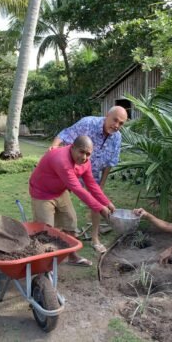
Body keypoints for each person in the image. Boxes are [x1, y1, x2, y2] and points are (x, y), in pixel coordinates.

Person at [49, 106, 128, 253]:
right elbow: (65, 133)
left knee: (96, 203)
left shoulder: (117, 138)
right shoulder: (88, 123)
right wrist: (54, 146)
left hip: (93, 174)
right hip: (72, 169)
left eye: (121, 123)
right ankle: (57, 234)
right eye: (115, 120)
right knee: (59, 200)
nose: (117, 125)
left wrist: (102, 185)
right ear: (107, 116)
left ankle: (95, 239)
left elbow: (109, 164)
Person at [30, 135, 116, 267]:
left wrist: (107, 203)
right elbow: (78, 189)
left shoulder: (85, 162)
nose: (84, 157)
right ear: (72, 147)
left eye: (88, 154)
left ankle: (72, 256)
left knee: (70, 222)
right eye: (81, 152)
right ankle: (44, 266)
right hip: (42, 193)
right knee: (46, 230)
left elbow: (91, 184)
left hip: (60, 191)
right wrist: (100, 208)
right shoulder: (62, 160)